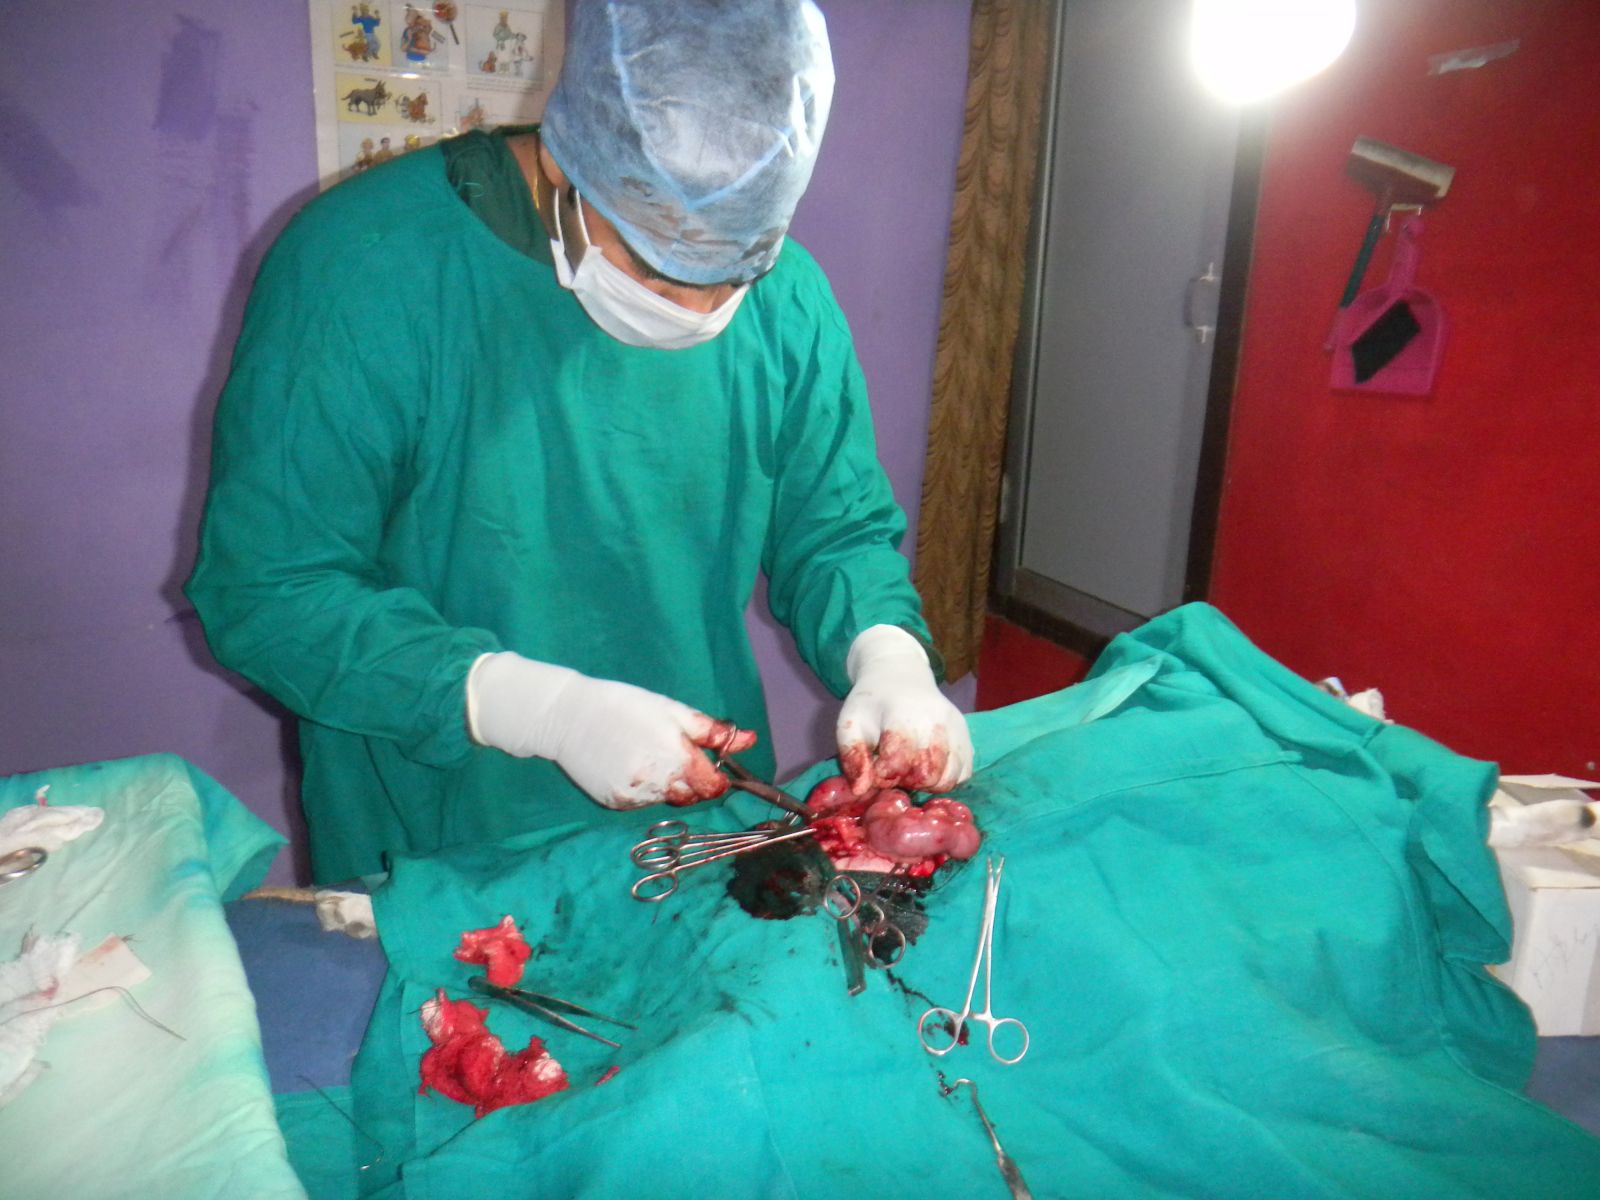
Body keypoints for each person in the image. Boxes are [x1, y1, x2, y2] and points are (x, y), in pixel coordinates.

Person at [186, 0, 972, 884]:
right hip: (436, 839)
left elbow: (837, 533)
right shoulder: (368, 265)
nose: (698, 309)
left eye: (733, 274)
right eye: (657, 268)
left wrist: (888, 656)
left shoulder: (787, 297)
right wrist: (540, 708)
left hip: (698, 830)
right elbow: (271, 590)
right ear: (567, 163)